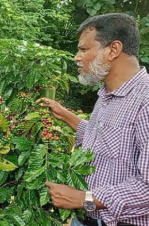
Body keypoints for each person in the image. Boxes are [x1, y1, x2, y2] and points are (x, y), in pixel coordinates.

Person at [40, 13, 149, 226]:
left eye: (83, 49)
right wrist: (64, 115)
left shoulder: (145, 101)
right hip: (89, 216)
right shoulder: (106, 95)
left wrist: (84, 198)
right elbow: (106, 138)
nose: (76, 57)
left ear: (113, 50)